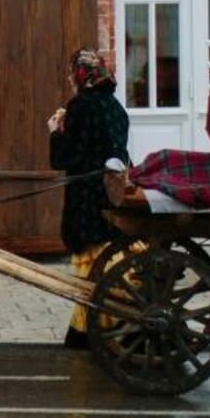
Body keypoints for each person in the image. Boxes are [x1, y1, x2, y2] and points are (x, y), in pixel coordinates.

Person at [48, 47, 130, 349]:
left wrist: (56, 131)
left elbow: (64, 157)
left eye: (73, 75)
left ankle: (90, 330)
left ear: (80, 76)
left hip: (87, 198)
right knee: (99, 262)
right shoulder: (115, 107)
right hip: (112, 193)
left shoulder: (81, 106)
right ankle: (84, 329)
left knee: (91, 264)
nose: (71, 80)